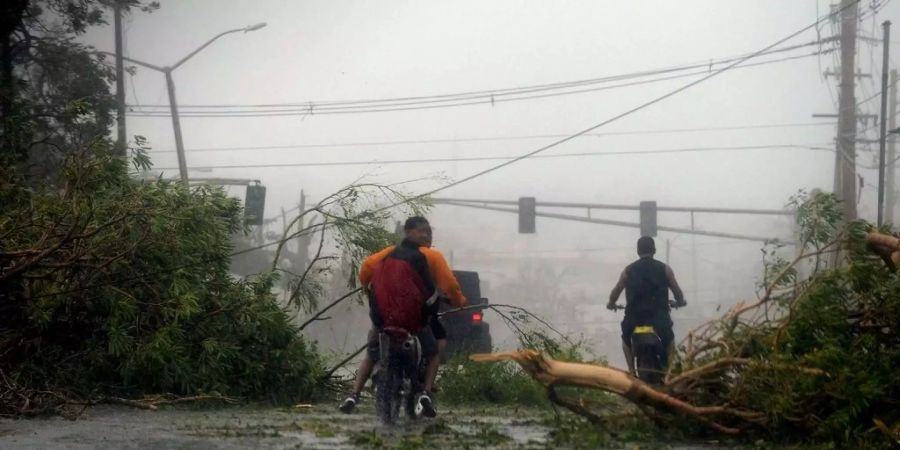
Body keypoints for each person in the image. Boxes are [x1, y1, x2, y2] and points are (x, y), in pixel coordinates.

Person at [338, 216, 466, 417]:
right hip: (414, 319)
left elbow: (366, 269)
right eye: (422, 231)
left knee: (372, 353)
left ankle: (354, 393)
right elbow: (449, 286)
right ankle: (426, 392)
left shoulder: (389, 253)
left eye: (428, 232)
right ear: (409, 232)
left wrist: (367, 286)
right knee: (436, 348)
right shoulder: (432, 256)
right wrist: (459, 302)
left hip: (385, 319)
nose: (426, 235)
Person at [607, 236, 686, 377]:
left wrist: (611, 304)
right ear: (654, 250)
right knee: (670, 341)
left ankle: (631, 372)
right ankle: (670, 376)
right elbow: (678, 293)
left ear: (638, 251)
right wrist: (680, 301)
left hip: (634, 320)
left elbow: (615, 292)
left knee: (625, 339)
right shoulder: (665, 269)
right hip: (659, 320)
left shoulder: (628, 271)